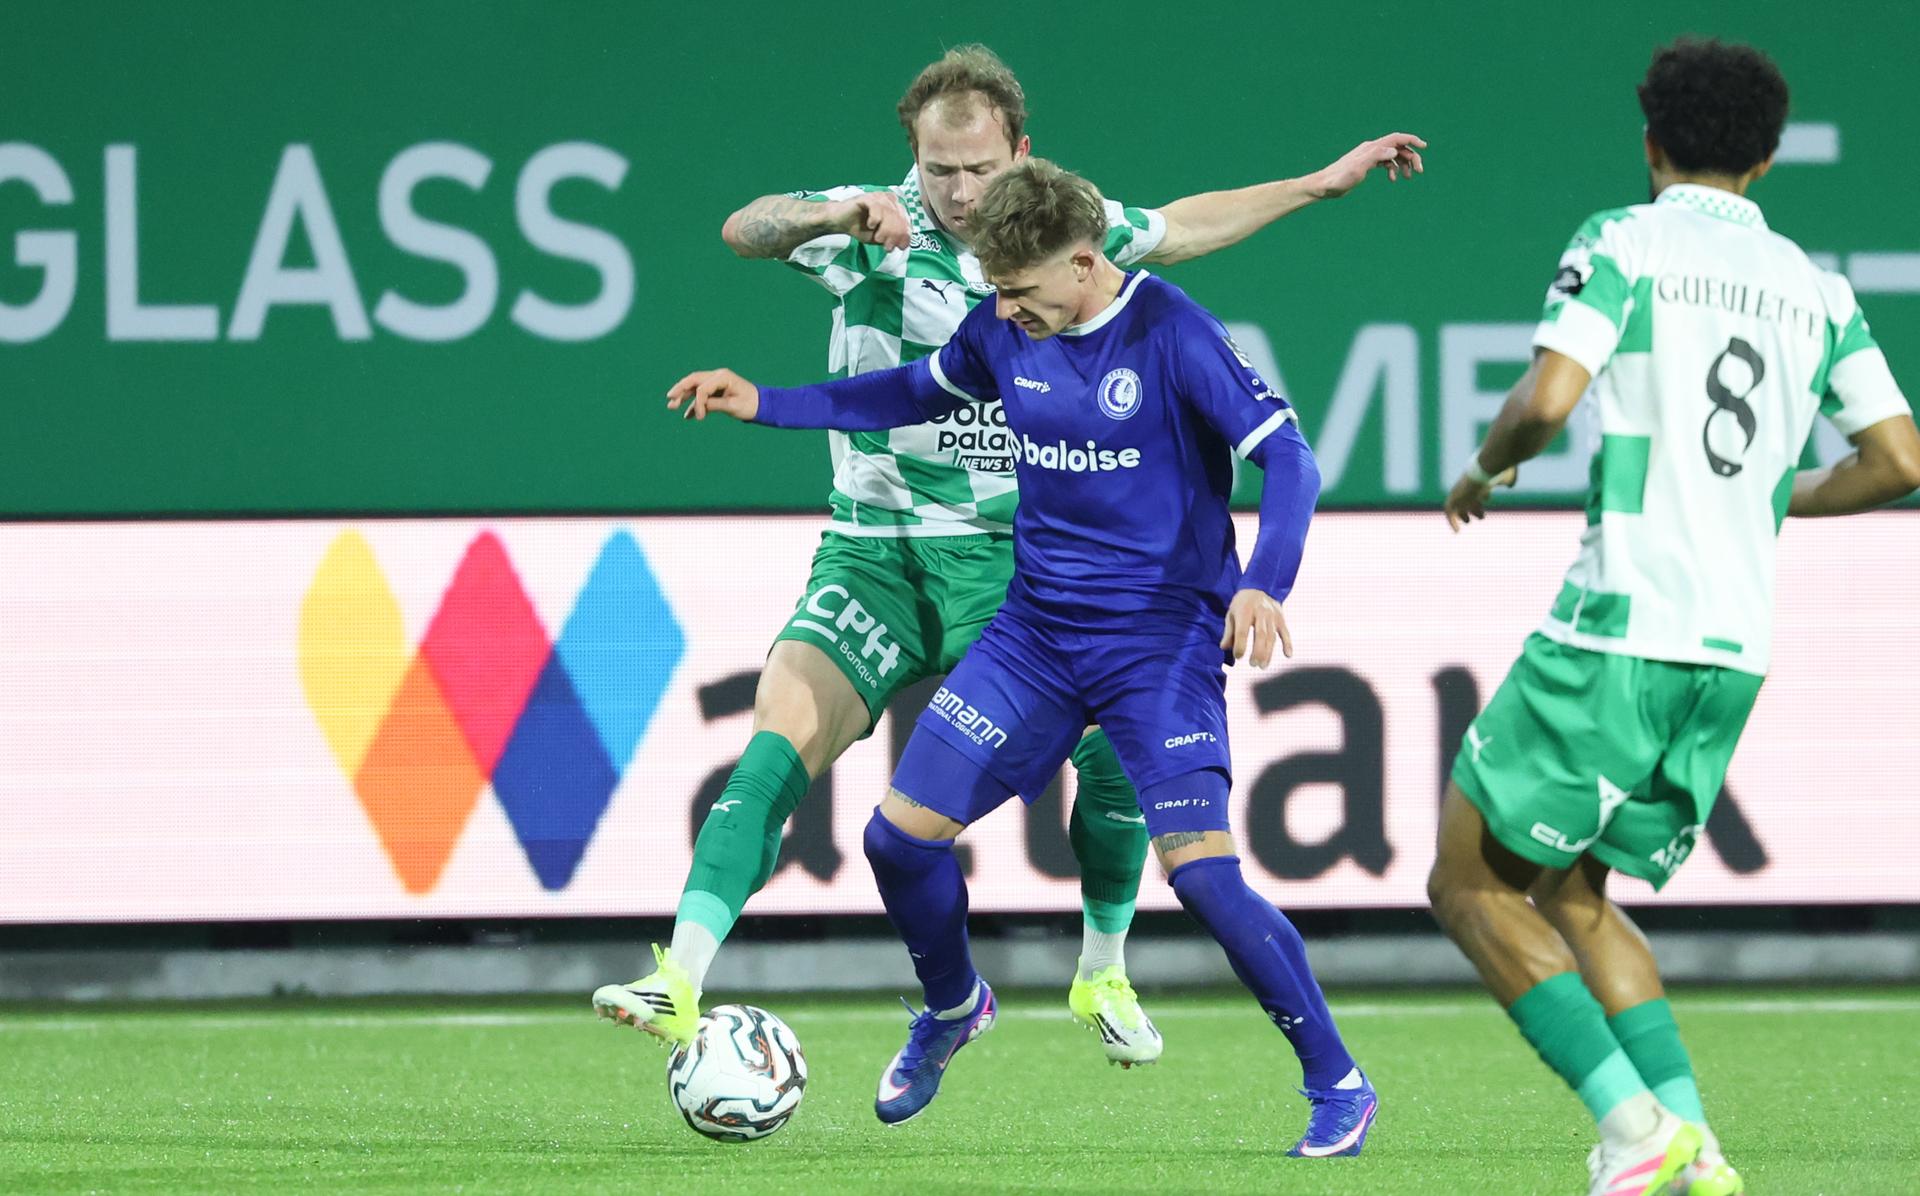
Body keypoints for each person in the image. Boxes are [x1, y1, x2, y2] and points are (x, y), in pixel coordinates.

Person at [596, 42, 1425, 1069]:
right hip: (877, 553)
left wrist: (1317, 182)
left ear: (1018, 152)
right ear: (912, 154)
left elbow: (1184, 226)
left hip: (1006, 560)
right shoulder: (869, 222)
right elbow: (744, 228)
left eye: (977, 168)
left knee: (1117, 756)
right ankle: (680, 975)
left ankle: (1103, 959)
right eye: (938, 168)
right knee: (781, 740)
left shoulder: (1060, 232)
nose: (955, 190)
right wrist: (829, 219)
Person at [1429, 37, 1920, 1196]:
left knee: (1467, 885)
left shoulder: (1625, 241)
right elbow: (1898, 456)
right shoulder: (1817, 285)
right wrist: (1767, 501)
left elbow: (1548, 398)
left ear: (1651, 143)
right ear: (1766, 159)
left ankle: (1633, 1126)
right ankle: (1694, 1146)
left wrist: (1485, 468)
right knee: (1576, 891)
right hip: (1732, 648)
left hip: (1618, 628)